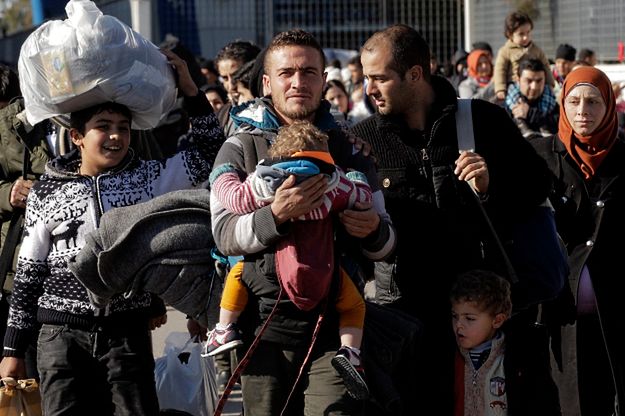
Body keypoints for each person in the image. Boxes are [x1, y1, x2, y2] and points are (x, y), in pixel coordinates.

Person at [0, 50, 225, 415]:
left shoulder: (149, 178)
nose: (116, 136)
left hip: (127, 336)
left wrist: (191, 91)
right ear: (76, 136)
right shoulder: (47, 190)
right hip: (60, 340)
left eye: (123, 127)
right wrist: (12, 350)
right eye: (103, 126)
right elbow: (28, 275)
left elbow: (211, 151)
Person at [351, 24, 551, 414]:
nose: (368, 89)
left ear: (415, 74)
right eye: (366, 77)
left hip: (482, 320)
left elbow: (537, 187)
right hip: (408, 319)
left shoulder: (483, 120)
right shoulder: (364, 140)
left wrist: (493, 182)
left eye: (380, 78)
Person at [211, 29, 396, 415]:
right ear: (266, 82)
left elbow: (387, 244)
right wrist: (275, 215)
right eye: (287, 72)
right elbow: (224, 234)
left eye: (309, 72)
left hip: (334, 329)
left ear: (325, 80)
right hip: (260, 333)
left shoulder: (351, 149)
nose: (298, 82)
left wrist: (372, 230)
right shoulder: (239, 148)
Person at [206, 120, 371, 400]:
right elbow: (361, 196)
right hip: (325, 271)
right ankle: (351, 352)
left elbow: (235, 200)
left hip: (276, 277)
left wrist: (221, 175)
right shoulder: (333, 182)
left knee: (237, 273)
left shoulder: (267, 182)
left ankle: (225, 328)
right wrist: (357, 176)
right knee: (354, 305)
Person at [529, 66, 625, 416]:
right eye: (574, 101)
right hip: (558, 316)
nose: (582, 110)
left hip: (613, 316)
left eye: (593, 101)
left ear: (610, 106)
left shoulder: (623, 158)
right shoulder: (539, 157)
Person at [451, 269, 561, 415]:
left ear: (497, 320)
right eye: (454, 316)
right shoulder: (450, 359)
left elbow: (545, 405)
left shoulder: (522, 358)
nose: (459, 324)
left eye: (470, 318)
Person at [493, 11, 554, 101]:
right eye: (521, 34)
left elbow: (546, 66)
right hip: (514, 85)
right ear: (510, 35)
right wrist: (500, 89)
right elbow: (500, 71)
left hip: (536, 85)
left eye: (528, 32)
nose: (526, 37)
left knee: (548, 99)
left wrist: (550, 84)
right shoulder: (505, 51)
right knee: (515, 101)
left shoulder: (536, 50)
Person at [505, 58, 559, 138]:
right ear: (518, 80)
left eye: (539, 81)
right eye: (529, 81)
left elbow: (558, 124)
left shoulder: (552, 104)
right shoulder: (504, 104)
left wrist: (531, 114)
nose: (534, 87)